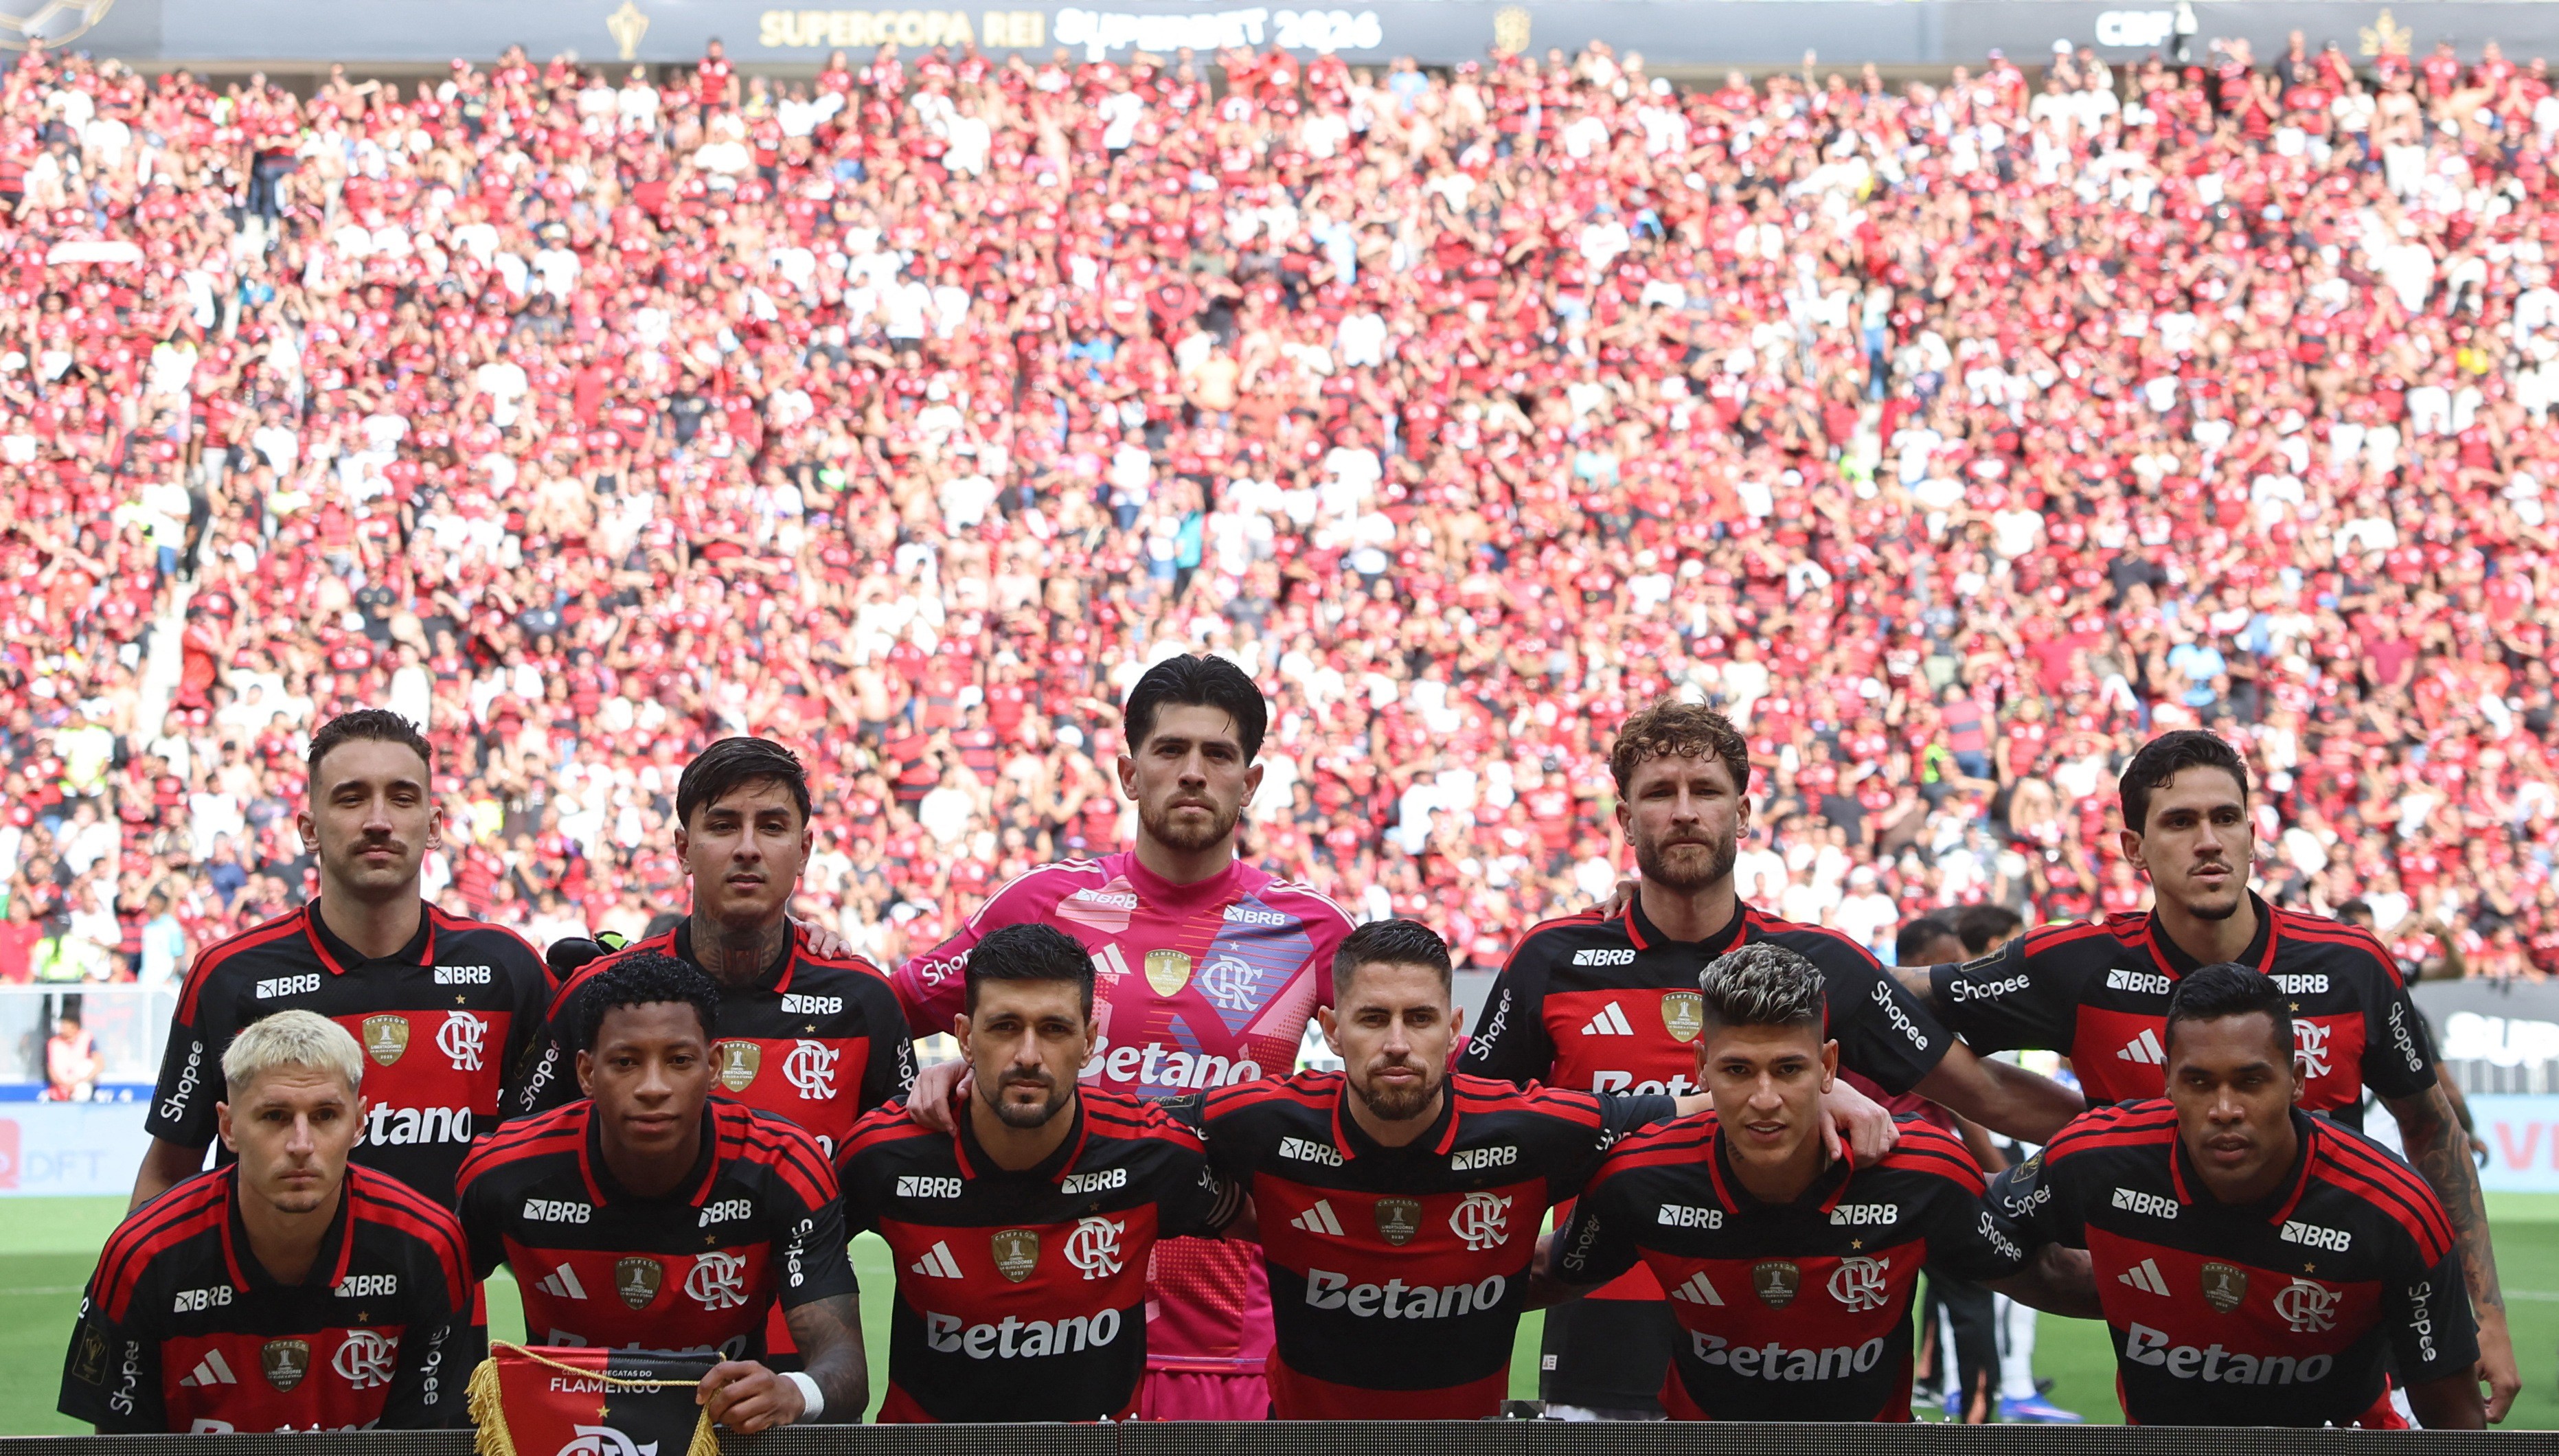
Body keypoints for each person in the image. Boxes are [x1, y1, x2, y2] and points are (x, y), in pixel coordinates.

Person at [1465, 701, 2084, 1418]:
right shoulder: (1553, 959)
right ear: (1626, 820)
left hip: (1786, 1330)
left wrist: (2147, 1138)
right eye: (1660, 793)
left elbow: (1986, 1093)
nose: (1685, 812)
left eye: (1706, 791)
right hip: (1601, 1319)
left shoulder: (1821, 964)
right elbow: (1470, 1130)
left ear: (1744, 813)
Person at [1901, 729, 2517, 1420]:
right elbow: (1889, 999)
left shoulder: (2350, 966)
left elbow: (2430, 1126)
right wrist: (1836, 1082)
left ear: (2253, 834)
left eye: (2226, 818)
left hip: (2346, 1364)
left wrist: (2485, 1310)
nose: (2208, 841)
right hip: (2177, 1379)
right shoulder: (2078, 967)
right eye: (2180, 822)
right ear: (2134, 847)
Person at [892, 653, 1354, 1420]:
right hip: (1044, 1336)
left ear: (1251, 781)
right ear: (1129, 773)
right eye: (1170, 749)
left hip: (1228, 1349)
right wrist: (933, 1079)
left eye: (1218, 754)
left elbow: (1420, 1080)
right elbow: (878, 1014)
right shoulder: (1044, 904)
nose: (1194, 772)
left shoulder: (1312, 929)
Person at [1539, 943, 2092, 1421]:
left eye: (1789, 1069)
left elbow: (2048, 1276)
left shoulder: (1923, 1173)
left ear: (1828, 1066)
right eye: (1737, 1070)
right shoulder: (1639, 1179)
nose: (1764, 1100)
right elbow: (1550, 1274)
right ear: (1701, 1067)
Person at [1192, 918, 1701, 1418]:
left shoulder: (1529, 1129)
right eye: (1373, 1019)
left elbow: (1698, 1115)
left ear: (1454, 1030)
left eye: (1420, 1019)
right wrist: (1235, 1215)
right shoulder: (1265, 1121)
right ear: (1332, 1030)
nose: (1397, 1043)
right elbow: (1152, 1134)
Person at [1988, 964, 2485, 1428]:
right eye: (2199, 1082)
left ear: (2297, 1081)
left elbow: (2456, 1422)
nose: (2224, 1109)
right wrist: (2117, 1293)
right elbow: (1981, 1228)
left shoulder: (2396, 1209)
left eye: (2251, 1082)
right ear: (2166, 1080)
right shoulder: (2096, 1158)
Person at [133, 709, 552, 1212]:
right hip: (272, 1267)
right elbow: (168, 1170)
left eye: (402, 798)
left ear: (434, 826)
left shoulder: (508, 969)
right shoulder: (231, 976)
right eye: (351, 799)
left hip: (455, 1268)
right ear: (309, 830)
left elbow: (566, 1146)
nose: (378, 821)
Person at [837, 923, 1233, 1422]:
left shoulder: (1152, 1153)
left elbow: (1274, 1222)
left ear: (1089, 1042)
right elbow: (794, 1254)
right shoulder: (882, 1155)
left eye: (1054, 1029)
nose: (1028, 1056)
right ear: (965, 1038)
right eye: (1005, 1027)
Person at [455, 953, 864, 1432]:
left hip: (721, 1440)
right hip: (572, 1439)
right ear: (586, 1073)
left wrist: (795, 1392)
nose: (653, 1087)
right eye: (625, 1062)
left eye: (679, 1061)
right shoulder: (504, 1172)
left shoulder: (783, 1166)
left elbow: (846, 1363)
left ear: (714, 1066)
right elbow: (430, 1313)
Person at [60, 1012, 469, 1433]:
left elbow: (423, 1440)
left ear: (359, 1123)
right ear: (228, 1127)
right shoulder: (143, 1255)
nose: (301, 1144)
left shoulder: (428, 1247)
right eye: (274, 1116)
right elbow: (121, 1443)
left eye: (325, 1115)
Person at [521, 736, 914, 1156]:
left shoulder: (864, 1001)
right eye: (723, 826)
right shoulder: (596, 994)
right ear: (684, 850)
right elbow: (520, 1160)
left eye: (772, 827)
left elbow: (905, 1166)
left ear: (803, 852)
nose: (747, 849)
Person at [45, 1007, 102, 1101]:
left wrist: (80, 1082)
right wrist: (66, 1086)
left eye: (66, 1023)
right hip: (59, 1091)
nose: (62, 1027)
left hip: (81, 1088)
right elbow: (51, 1070)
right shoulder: (54, 1043)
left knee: (86, 1066)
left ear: (75, 1026)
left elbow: (99, 1064)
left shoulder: (86, 1038)